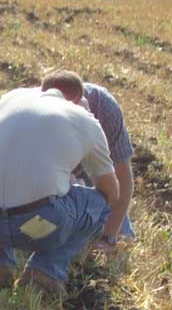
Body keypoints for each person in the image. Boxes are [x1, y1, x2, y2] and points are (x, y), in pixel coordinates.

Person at [0, 83, 122, 297]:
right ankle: (46, 270)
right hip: (37, 222)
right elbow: (110, 193)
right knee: (98, 205)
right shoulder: (84, 119)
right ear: (76, 99)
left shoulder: (10, 98)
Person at [40, 70, 135, 248]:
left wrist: (109, 236)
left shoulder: (104, 109)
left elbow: (122, 177)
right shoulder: (38, 113)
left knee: (121, 236)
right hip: (59, 175)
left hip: (98, 171)